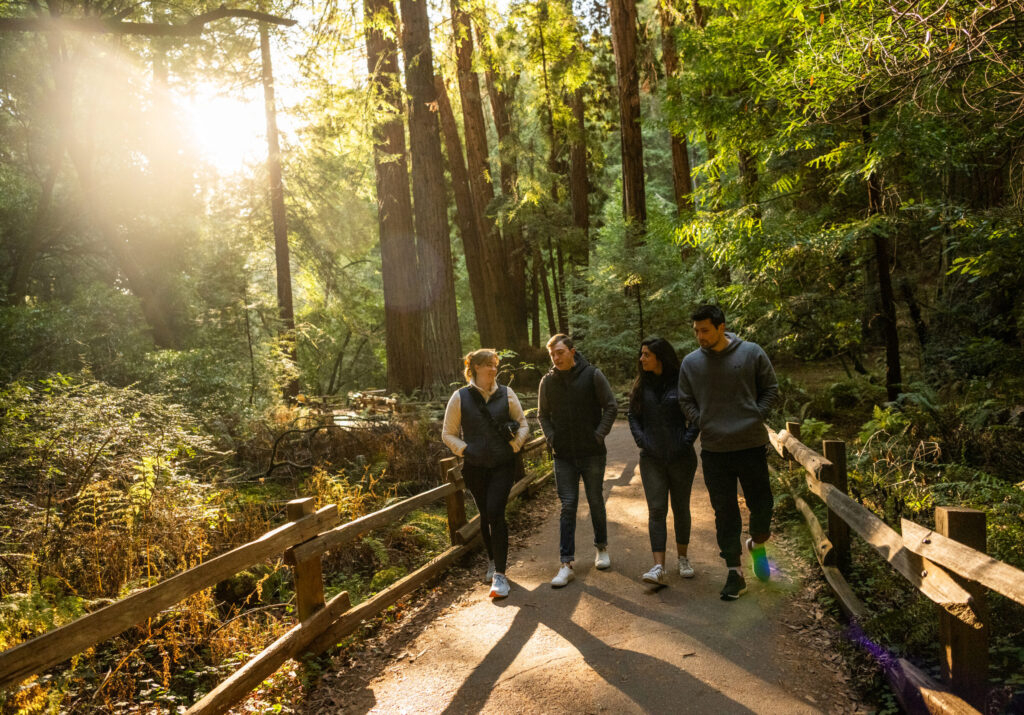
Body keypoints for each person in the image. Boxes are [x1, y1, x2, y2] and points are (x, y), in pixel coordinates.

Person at [678, 305, 779, 601]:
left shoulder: (751, 352)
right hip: (714, 449)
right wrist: (702, 420)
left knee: (762, 505)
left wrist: (755, 415)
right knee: (725, 512)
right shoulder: (691, 363)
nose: (700, 336)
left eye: (705, 330)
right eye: (696, 331)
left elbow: (770, 388)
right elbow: (685, 400)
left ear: (722, 327)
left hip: (751, 444)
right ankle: (734, 572)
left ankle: (757, 544)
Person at [442, 349, 530, 599]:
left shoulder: (507, 393)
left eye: (495, 365)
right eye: (489, 365)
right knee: (485, 514)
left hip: (503, 464)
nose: (494, 369)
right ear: (475, 368)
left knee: (495, 512)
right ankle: (492, 560)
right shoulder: (460, 397)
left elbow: (523, 423)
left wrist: (514, 446)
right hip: (475, 467)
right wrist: (466, 450)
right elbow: (447, 433)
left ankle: (500, 575)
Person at [538, 334, 618, 587]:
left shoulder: (593, 375)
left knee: (595, 500)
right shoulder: (547, 382)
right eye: (552, 354)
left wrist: (597, 435)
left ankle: (601, 548)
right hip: (563, 456)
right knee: (568, 505)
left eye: (560, 352)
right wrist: (552, 439)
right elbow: (543, 415)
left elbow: (611, 406)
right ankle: (566, 563)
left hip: (592, 453)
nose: (556, 357)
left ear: (573, 351)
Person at [627, 338, 699, 586]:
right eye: (641, 354)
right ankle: (658, 566)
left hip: (681, 459)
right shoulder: (641, 384)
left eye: (646, 354)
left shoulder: (682, 382)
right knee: (657, 510)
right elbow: (633, 416)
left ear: (660, 356)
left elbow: (696, 416)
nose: (641, 358)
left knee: (681, 508)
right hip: (651, 459)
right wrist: (641, 440)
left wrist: (686, 441)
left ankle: (683, 559)